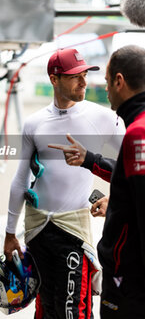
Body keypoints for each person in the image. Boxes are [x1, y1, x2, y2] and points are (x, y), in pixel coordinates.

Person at [3, 48, 124, 319]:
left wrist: (115, 198)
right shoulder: (34, 124)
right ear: (54, 79)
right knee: (44, 307)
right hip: (37, 230)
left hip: (73, 233)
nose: (83, 82)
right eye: (74, 77)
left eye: (84, 75)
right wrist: (10, 233)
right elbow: (20, 179)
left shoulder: (102, 117)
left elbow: (134, 168)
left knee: (72, 311)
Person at [48, 45, 145, 318]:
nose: (102, 88)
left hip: (129, 281)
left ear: (119, 81)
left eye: (104, 81)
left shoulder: (138, 132)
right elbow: (134, 183)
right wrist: (91, 160)